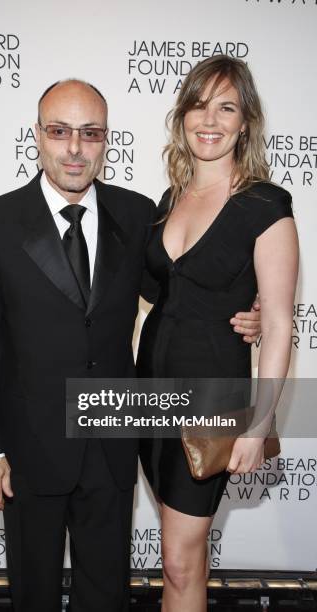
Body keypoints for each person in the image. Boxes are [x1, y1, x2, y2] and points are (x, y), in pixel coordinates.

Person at [0, 79, 261, 612]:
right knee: (35, 595)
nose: (75, 148)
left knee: (106, 596)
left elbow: (179, 289)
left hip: (113, 443)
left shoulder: (140, 214)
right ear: (38, 136)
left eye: (90, 133)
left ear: (106, 140)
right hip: (29, 448)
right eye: (60, 131)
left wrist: (247, 314)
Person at [137, 56, 299, 612]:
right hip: (149, 394)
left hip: (212, 402)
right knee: (180, 558)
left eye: (225, 106)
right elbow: (158, 295)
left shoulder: (265, 206)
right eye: (198, 104)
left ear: (245, 121)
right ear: (182, 116)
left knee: (180, 562)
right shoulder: (168, 201)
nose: (210, 119)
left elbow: (279, 324)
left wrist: (256, 426)